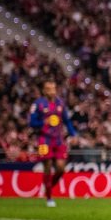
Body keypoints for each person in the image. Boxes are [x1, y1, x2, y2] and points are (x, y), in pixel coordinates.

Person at [28, 79, 77, 207]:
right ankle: (49, 197)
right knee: (47, 167)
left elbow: (67, 120)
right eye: (49, 89)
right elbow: (31, 123)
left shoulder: (60, 103)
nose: (52, 91)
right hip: (43, 140)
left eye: (54, 88)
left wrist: (73, 134)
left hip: (58, 140)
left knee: (61, 168)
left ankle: (48, 187)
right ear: (44, 91)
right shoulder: (37, 104)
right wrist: (43, 122)